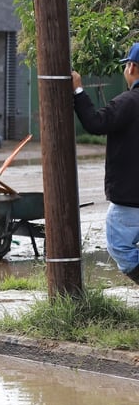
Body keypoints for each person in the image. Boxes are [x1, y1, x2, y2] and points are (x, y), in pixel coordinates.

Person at [72, 42, 139, 284]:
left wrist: (78, 91)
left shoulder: (129, 102)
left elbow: (96, 123)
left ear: (131, 67)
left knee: (121, 248)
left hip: (130, 199)